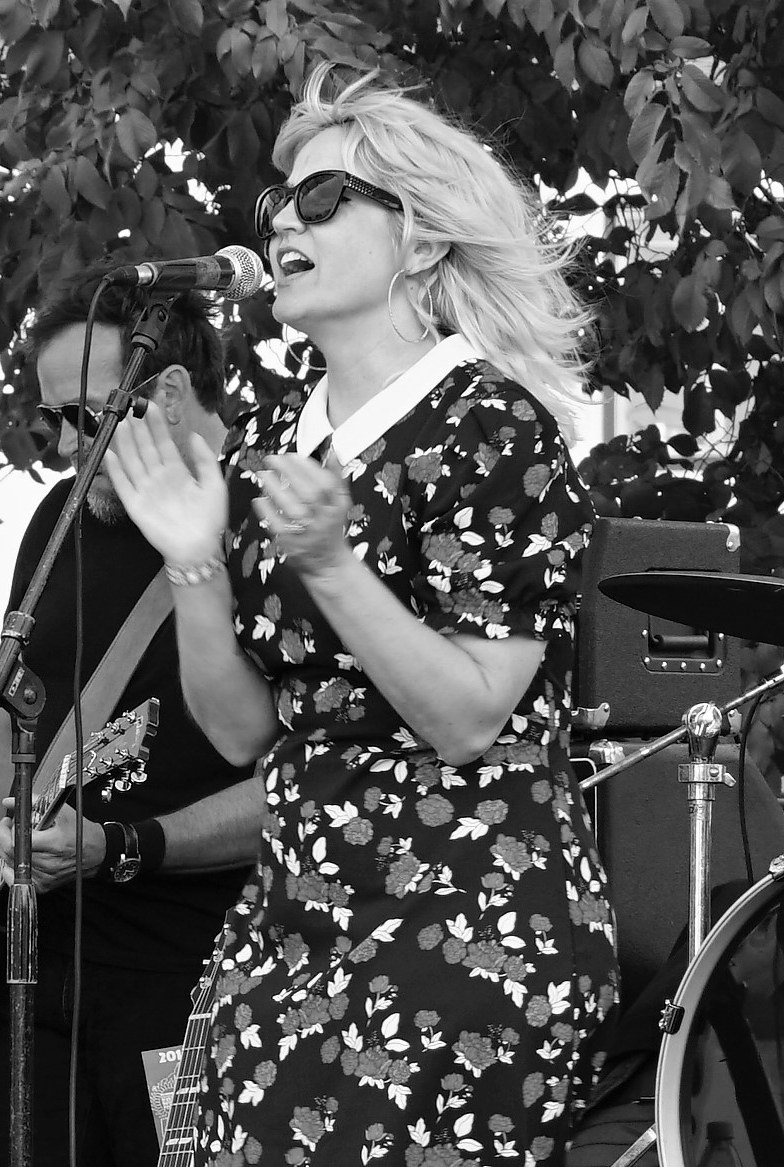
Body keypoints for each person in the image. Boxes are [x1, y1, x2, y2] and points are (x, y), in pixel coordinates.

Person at [105, 64, 619, 1166]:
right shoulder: (284, 442)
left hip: (465, 930)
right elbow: (242, 731)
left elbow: (467, 717)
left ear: (421, 241)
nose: (283, 221)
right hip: (291, 918)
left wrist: (332, 566)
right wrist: (193, 564)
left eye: (323, 197)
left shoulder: (492, 426)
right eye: (278, 202)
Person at [0, 264, 264, 1167]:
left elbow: (307, 780)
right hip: (21, 968)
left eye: (85, 416)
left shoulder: (269, 527)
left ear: (170, 393)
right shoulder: (61, 516)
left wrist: (121, 844)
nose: (61, 445)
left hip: (189, 981)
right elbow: (15, 715)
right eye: (51, 418)